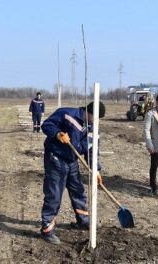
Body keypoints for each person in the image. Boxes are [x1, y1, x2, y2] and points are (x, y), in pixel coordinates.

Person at [40, 101, 106, 244]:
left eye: (99, 119)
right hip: (55, 159)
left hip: (72, 161)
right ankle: (47, 229)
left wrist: (96, 170)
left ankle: (83, 219)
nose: (97, 121)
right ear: (88, 112)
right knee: (54, 194)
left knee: (78, 190)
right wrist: (58, 134)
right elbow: (46, 125)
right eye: (95, 117)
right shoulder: (68, 114)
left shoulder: (94, 129)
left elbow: (92, 151)